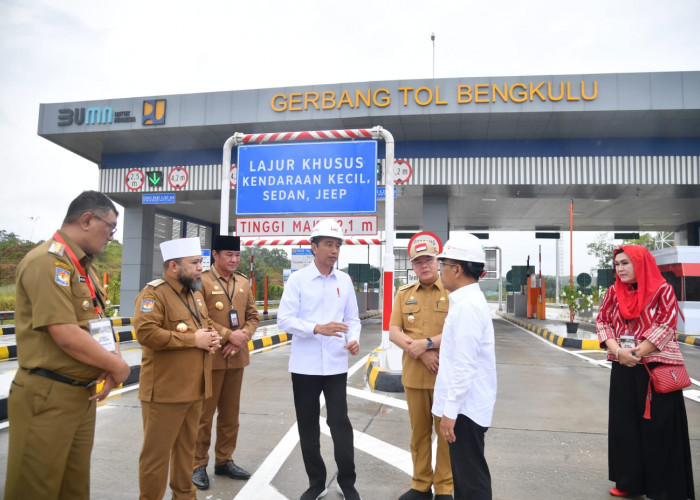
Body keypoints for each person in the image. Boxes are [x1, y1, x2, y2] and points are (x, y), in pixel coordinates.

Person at [4, 190, 131, 500]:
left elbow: (99, 324)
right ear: (87, 219)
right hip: (48, 395)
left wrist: (109, 362)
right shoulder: (47, 262)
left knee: (73, 489)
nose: (112, 237)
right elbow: (65, 333)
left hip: (81, 394)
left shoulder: (86, 269)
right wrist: (118, 365)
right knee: (35, 489)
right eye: (110, 228)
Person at [596, 244, 695, 499]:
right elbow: (603, 321)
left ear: (640, 263)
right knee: (624, 426)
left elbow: (666, 324)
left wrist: (636, 353)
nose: (620, 269)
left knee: (660, 428)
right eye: (617, 264)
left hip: (656, 368)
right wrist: (619, 352)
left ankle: (663, 486)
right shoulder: (613, 292)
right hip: (623, 367)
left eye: (626, 263)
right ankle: (628, 482)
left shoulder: (662, 289)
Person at [277, 219, 362, 500]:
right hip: (305, 367)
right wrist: (316, 327)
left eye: (337, 245)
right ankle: (316, 483)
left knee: (340, 423)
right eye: (328, 244)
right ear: (313, 247)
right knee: (308, 426)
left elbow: (352, 319)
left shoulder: (345, 280)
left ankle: (346, 483)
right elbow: (285, 320)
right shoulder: (299, 280)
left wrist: (354, 339)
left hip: (337, 364)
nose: (334, 250)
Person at [134, 237, 223, 500]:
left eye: (200, 262)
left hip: (195, 388)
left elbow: (203, 325)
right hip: (165, 392)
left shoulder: (195, 293)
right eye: (194, 263)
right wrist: (192, 339)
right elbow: (146, 333)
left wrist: (212, 337)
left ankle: (185, 496)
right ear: (174, 266)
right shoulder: (153, 293)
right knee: (156, 456)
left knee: (186, 452)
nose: (200, 268)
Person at [432, 233, 497, 500]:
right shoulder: (465, 302)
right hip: (466, 408)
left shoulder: (468, 307)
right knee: (466, 478)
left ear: (457, 269)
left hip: (465, 411)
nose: (440, 272)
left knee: (471, 483)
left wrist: (450, 412)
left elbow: (464, 366)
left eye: (442, 265)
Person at [192, 235, 259, 489]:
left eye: (237, 256)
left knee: (230, 415)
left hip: (236, 359)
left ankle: (224, 459)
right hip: (212, 357)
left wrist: (242, 339)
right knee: (204, 415)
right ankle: (198, 464)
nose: (234, 260)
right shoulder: (202, 282)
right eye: (228, 255)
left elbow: (252, 317)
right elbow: (200, 317)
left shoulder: (243, 282)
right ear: (215, 256)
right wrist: (229, 335)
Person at [389, 241, 453, 500]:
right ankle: (421, 484)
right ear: (412, 266)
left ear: (438, 262)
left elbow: (458, 330)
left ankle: (445, 488)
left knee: (447, 434)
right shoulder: (404, 293)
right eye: (418, 261)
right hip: (415, 376)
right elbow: (394, 331)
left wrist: (428, 345)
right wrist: (421, 351)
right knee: (419, 434)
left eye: (428, 260)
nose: (424, 265)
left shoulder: (452, 291)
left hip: (445, 376)